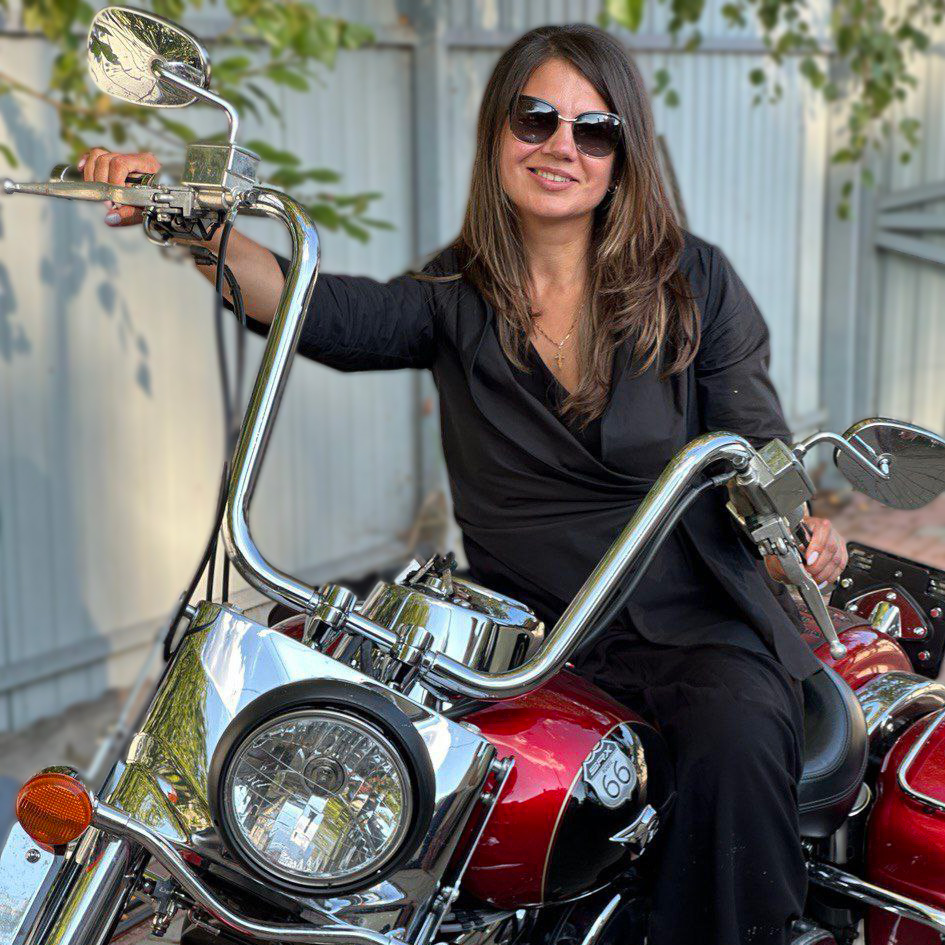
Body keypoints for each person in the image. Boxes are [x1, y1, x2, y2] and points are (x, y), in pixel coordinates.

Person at [81, 21, 848, 945]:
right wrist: (197, 229)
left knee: (735, 736)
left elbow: (756, 450)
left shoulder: (691, 284)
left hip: (691, 624)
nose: (561, 146)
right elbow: (318, 307)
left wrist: (798, 531)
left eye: (593, 130)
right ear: (498, 133)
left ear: (623, 154)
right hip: (526, 636)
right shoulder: (457, 292)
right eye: (536, 119)